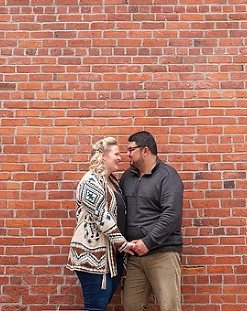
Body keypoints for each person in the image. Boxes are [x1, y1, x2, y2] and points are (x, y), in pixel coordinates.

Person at [67, 137, 135, 311]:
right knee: (95, 307)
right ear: (104, 156)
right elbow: (102, 217)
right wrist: (123, 244)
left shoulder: (112, 182)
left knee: (100, 306)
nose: (120, 158)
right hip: (92, 257)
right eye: (116, 154)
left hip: (112, 258)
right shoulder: (90, 181)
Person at [120, 131, 184, 311]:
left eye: (131, 149)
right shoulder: (128, 177)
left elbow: (171, 216)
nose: (127, 154)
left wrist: (148, 242)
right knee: (131, 306)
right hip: (135, 256)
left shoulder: (168, 177)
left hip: (162, 253)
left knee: (169, 306)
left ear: (145, 151)